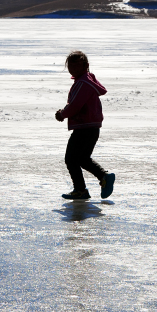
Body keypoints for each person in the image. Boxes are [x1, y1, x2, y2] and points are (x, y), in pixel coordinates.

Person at [55, 50, 116, 201]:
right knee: (82, 158)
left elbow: (75, 105)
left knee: (71, 158)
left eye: (77, 66)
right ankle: (101, 178)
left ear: (86, 65)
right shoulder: (86, 80)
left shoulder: (83, 83)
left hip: (85, 127)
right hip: (90, 127)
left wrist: (62, 114)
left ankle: (82, 189)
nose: (73, 69)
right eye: (70, 66)